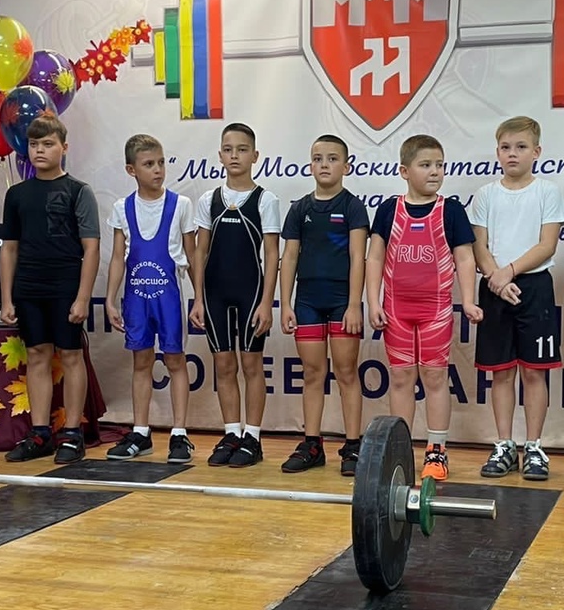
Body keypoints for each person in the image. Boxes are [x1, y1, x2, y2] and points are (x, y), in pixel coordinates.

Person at [367, 134, 481, 481]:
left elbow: (465, 258)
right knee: (401, 378)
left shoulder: (451, 210)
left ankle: (436, 450)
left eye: (440, 165)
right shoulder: (389, 210)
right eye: (426, 165)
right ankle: (399, 450)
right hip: (396, 310)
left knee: (434, 377)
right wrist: (372, 301)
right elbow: (375, 257)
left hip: (435, 311)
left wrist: (469, 300)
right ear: (404, 171)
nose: (435, 172)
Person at [470, 116, 564, 481]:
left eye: (521, 147)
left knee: (533, 372)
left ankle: (535, 446)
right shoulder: (485, 194)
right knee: (501, 372)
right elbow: (479, 246)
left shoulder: (547, 192)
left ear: (536, 152)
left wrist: (508, 272)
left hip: (534, 287)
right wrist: (496, 280)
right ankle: (504, 444)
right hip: (495, 287)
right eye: (506, 147)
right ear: (497, 151)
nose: (512, 154)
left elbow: (547, 245)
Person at [0, 114, 101, 464]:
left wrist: (83, 297)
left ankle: (72, 433)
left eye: (48, 144)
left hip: (65, 285)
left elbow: (91, 248)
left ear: (64, 147)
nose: (40, 150)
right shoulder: (16, 195)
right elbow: (9, 248)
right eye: (34, 144)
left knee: (71, 355)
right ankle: (40, 433)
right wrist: (7, 298)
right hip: (29, 286)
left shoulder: (78, 191)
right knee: (37, 354)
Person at [189, 123, 281, 468]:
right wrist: (198, 298)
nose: (235, 156)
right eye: (228, 150)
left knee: (251, 364)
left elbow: (272, 253)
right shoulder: (208, 200)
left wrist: (266, 303)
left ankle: (252, 437)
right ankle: (231, 433)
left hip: (250, 293)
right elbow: (200, 251)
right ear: (220, 155)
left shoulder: (265, 200)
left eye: (242, 150)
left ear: (255, 156)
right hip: (214, 295)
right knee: (224, 365)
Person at [278, 135, 369, 476]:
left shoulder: (353, 207)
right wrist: (285, 304)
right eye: (318, 159)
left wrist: (354, 304)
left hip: (342, 301)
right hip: (307, 302)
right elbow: (289, 257)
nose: (324, 164)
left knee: (346, 372)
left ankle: (353, 445)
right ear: (310, 165)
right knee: (313, 373)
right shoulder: (300, 209)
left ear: (346, 166)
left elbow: (358, 258)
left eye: (332, 158)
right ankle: (312, 444)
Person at [104, 134, 198, 463]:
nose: (158, 170)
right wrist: (110, 299)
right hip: (136, 298)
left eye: (160, 163)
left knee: (175, 361)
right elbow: (118, 258)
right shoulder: (122, 208)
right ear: (131, 170)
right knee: (141, 362)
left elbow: (192, 254)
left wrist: (200, 299)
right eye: (148, 164)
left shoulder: (180, 205)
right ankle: (141, 432)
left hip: (169, 298)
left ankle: (180, 434)